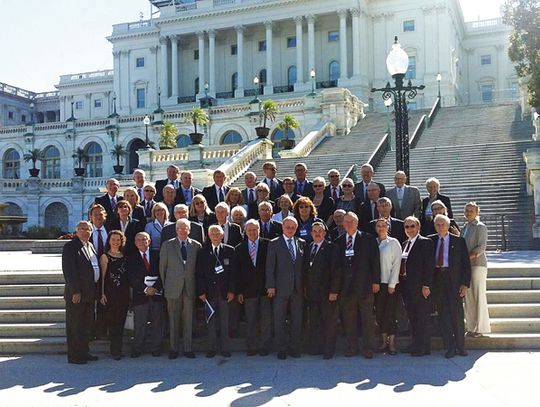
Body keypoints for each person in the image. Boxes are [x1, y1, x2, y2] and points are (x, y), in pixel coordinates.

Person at [333, 212, 380, 358]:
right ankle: (352, 347)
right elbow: (336, 266)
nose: (348, 224)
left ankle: (368, 348)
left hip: (365, 286)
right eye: (346, 222)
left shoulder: (368, 239)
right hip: (346, 288)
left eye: (351, 222)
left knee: (367, 319)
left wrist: (376, 281)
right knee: (349, 319)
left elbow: (375, 262)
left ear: (357, 223)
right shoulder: (339, 241)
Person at [430, 214, 471, 358]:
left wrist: (465, 284)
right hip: (438, 281)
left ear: (448, 226)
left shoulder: (459, 241)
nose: (440, 227)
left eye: (443, 224)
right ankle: (450, 346)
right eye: (438, 224)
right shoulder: (431, 240)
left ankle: (461, 346)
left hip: (454, 281)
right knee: (444, 315)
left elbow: (466, 265)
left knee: (457, 315)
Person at [160, 219, 202, 359]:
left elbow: (198, 269)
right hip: (172, 288)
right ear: (176, 229)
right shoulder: (167, 245)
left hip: (189, 287)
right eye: (180, 228)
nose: (183, 231)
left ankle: (188, 348)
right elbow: (162, 269)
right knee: (173, 319)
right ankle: (173, 349)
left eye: (186, 228)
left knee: (188, 319)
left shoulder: (196, 246)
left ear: (189, 230)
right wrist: (166, 285)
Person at [266, 217, 305, 359]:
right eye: (288, 227)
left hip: (298, 289)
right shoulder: (274, 243)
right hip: (280, 288)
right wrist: (270, 285)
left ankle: (295, 348)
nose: (290, 229)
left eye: (293, 227)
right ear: (283, 227)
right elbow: (270, 267)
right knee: (279, 319)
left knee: (297, 319)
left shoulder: (301, 242)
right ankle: (281, 349)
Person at [62, 220, 99, 364]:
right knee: (75, 325)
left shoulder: (90, 246)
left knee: (85, 325)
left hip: (89, 293)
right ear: (76, 231)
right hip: (77, 294)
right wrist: (75, 291)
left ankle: (84, 352)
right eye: (82, 229)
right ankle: (74, 355)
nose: (85, 231)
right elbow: (69, 271)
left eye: (88, 229)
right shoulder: (71, 246)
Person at [196, 225, 236, 358]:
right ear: (209, 236)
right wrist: (201, 291)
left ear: (222, 235)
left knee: (225, 321)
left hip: (225, 293)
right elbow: (199, 274)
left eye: (217, 234)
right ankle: (212, 348)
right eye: (212, 234)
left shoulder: (230, 250)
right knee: (211, 320)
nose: (215, 236)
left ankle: (225, 348)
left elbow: (233, 274)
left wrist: (231, 290)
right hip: (209, 292)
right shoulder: (203, 252)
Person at [302, 222, 340, 359]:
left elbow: (336, 271)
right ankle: (316, 347)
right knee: (315, 321)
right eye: (314, 231)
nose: (317, 233)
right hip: (312, 293)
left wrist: (334, 291)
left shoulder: (332, 248)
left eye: (320, 231)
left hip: (327, 293)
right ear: (311, 233)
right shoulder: (309, 247)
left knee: (329, 322)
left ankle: (328, 350)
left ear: (324, 233)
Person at [234, 219, 272, 356]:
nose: (252, 232)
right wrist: (238, 291)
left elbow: (272, 267)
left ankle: (264, 346)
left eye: (255, 229)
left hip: (265, 290)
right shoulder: (239, 248)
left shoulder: (268, 245)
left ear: (259, 230)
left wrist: (271, 286)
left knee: (266, 319)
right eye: (249, 230)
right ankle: (252, 347)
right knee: (251, 320)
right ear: (245, 232)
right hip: (248, 291)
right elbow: (236, 272)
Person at [400, 216, 435, 356]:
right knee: (412, 317)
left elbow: (429, 265)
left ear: (418, 227)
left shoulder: (425, 242)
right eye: (406, 227)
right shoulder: (404, 244)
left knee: (422, 318)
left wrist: (426, 285)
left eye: (412, 226)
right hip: (407, 286)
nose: (409, 229)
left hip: (420, 287)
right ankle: (415, 344)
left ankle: (424, 347)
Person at [128, 232, 165, 358]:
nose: (142, 242)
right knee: (140, 324)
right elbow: (131, 277)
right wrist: (145, 289)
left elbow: (163, 272)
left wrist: (155, 288)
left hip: (157, 294)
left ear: (149, 241)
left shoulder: (157, 255)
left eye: (144, 239)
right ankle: (138, 348)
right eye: (139, 240)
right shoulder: (131, 258)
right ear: (135, 242)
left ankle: (156, 348)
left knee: (157, 323)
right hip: (140, 295)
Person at [99, 230, 129, 360]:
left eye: (118, 240)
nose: (116, 242)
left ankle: (119, 348)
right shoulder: (105, 256)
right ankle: (114, 350)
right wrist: (102, 294)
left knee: (121, 322)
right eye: (113, 239)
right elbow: (103, 277)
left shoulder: (125, 256)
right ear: (109, 241)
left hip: (124, 293)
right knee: (113, 322)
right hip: (111, 293)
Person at [462, 202, 491, 337]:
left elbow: (481, 247)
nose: (468, 213)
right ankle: (471, 327)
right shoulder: (464, 228)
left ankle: (481, 328)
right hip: (466, 266)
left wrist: (468, 258)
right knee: (469, 297)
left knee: (478, 295)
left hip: (477, 265)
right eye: (467, 211)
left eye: (471, 211)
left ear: (476, 212)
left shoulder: (480, 227)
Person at [373, 218, 402, 355]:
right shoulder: (373, 243)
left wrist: (392, 284)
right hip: (377, 285)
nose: (381, 228)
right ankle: (383, 342)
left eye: (383, 225)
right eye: (378, 226)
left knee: (390, 314)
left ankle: (392, 344)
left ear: (388, 227)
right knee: (380, 314)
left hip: (390, 285)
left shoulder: (393, 243)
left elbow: (397, 264)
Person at [89, 203, 108, 339]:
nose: (98, 217)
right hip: (91, 273)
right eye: (95, 214)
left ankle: (102, 331)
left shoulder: (112, 229)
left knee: (105, 304)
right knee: (90, 304)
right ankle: (90, 332)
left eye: (101, 214)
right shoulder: (86, 233)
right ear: (91, 217)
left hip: (108, 272)